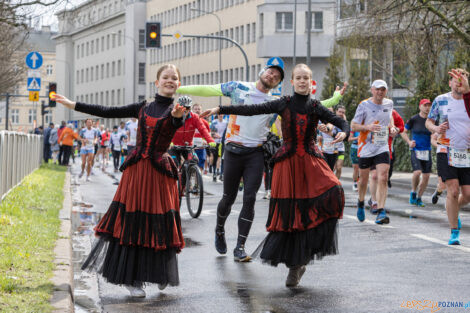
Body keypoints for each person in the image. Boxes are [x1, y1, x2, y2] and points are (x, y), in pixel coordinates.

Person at [177, 64, 345, 262]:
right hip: (233, 149)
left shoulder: (277, 101)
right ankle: (220, 229)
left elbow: (311, 104)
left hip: (256, 152)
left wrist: (336, 99)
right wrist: (180, 88)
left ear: (280, 83)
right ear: (262, 73)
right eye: (270, 71)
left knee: (250, 198)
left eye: (277, 76)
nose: (272, 75)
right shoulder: (238, 87)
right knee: (228, 199)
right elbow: (213, 90)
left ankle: (240, 246)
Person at [54, 64, 186, 297]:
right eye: (165, 77)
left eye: (174, 78)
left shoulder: (178, 109)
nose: (170, 80)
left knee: (159, 222)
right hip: (137, 173)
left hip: (160, 174)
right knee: (132, 221)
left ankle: (160, 273)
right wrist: (73, 104)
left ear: (179, 83)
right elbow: (107, 111)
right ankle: (132, 279)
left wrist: (178, 115)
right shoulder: (143, 107)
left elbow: (177, 122)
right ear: (156, 82)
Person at [425, 68, 470, 245]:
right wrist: (435, 129)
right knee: (453, 190)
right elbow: (429, 121)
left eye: (462, 78)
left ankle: (453, 210)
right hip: (446, 149)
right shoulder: (441, 100)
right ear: (450, 83)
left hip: (466, 152)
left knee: (467, 195)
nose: (458, 82)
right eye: (454, 79)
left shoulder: (469, 101)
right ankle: (454, 231)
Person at [351, 79, 398, 224]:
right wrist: (367, 127)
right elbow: (353, 126)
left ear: (386, 91)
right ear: (372, 90)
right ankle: (360, 202)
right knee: (364, 181)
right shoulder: (364, 105)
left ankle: (381, 211)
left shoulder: (389, 103)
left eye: (383, 89)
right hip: (365, 146)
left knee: (383, 176)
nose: (380, 92)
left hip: (382, 145)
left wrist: (393, 128)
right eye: (377, 89)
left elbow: (389, 118)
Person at [367, 109, 403, 213]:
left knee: (383, 178)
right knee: (374, 176)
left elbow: (401, 126)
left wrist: (396, 130)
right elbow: (357, 126)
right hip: (371, 148)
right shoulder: (368, 109)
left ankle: (380, 203)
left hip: (385, 148)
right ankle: (374, 203)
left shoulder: (392, 112)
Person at [400, 99, 433, 207]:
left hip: (427, 151)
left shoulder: (432, 120)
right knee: (417, 172)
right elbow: (403, 132)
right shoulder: (414, 119)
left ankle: (419, 197)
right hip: (416, 150)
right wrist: (409, 142)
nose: (427, 107)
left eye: (429, 105)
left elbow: (434, 134)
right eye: (425, 105)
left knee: (427, 176)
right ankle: (413, 192)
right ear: (420, 107)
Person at [170, 96, 215, 167]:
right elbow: (167, 130)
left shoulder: (195, 117)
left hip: (188, 146)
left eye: (187, 108)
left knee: (194, 160)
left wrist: (210, 140)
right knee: (174, 163)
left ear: (190, 108)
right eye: (182, 107)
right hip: (174, 146)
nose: (185, 110)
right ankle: (177, 177)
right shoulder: (173, 115)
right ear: (178, 107)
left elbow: (203, 129)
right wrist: (170, 141)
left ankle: (187, 175)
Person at [192, 103, 212, 171]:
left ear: (201, 111)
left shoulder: (205, 122)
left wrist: (206, 141)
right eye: (195, 109)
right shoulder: (189, 121)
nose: (197, 110)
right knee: (190, 162)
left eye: (199, 109)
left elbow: (209, 135)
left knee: (202, 161)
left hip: (201, 146)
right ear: (192, 110)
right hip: (190, 147)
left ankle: (199, 178)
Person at [210, 114, 228, 182]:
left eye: (222, 114)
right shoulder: (214, 122)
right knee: (215, 158)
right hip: (215, 142)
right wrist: (214, 135)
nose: (221, 115)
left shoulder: (226, 123)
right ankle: (214, 173)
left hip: (223, 143)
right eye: (219, 114)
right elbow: (211, 132)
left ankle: (221, 174)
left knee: (221, 158)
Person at [333, 105, 347, 179]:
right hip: (331, 149)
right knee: (333, 168)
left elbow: (347, 136)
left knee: (339, 168)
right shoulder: (332, 120)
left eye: (343, 112)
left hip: (341, 149)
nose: (341, 113)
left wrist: (345, 121)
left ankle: (336, 184)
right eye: (340, 112)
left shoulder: (344, 123)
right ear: (336, 112)